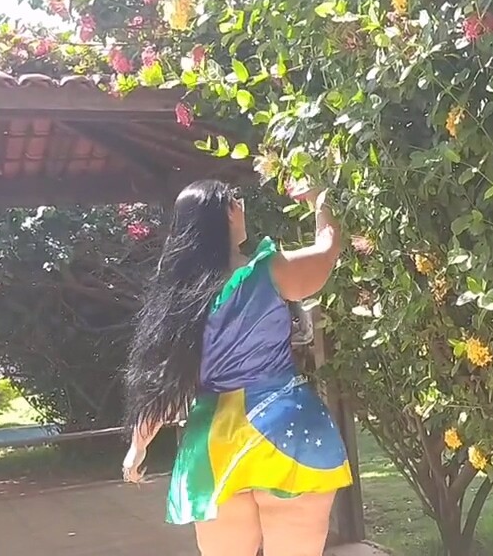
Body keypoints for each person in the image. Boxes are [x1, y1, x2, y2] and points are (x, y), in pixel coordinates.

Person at [121, 179, 352, 556]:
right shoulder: (270, 271)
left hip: (216, 443)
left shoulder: (179, 300)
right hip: (288, 428)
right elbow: (326, 251)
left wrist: (138, 445)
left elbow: (164, 380)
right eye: (236, 200)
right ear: (227, 213)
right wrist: (319, 200)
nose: (242, 205)